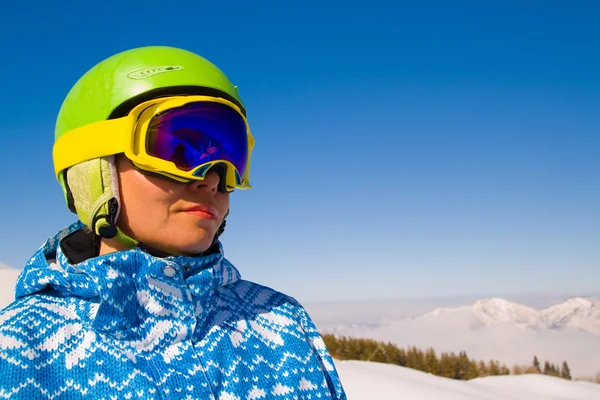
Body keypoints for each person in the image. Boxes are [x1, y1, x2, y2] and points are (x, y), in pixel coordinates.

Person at [0, 46, 347, 399]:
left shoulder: (283, 322)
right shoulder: (17, 351)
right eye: (180, 150)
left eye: (229, 157)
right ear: (93, 169)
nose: (212, 179)